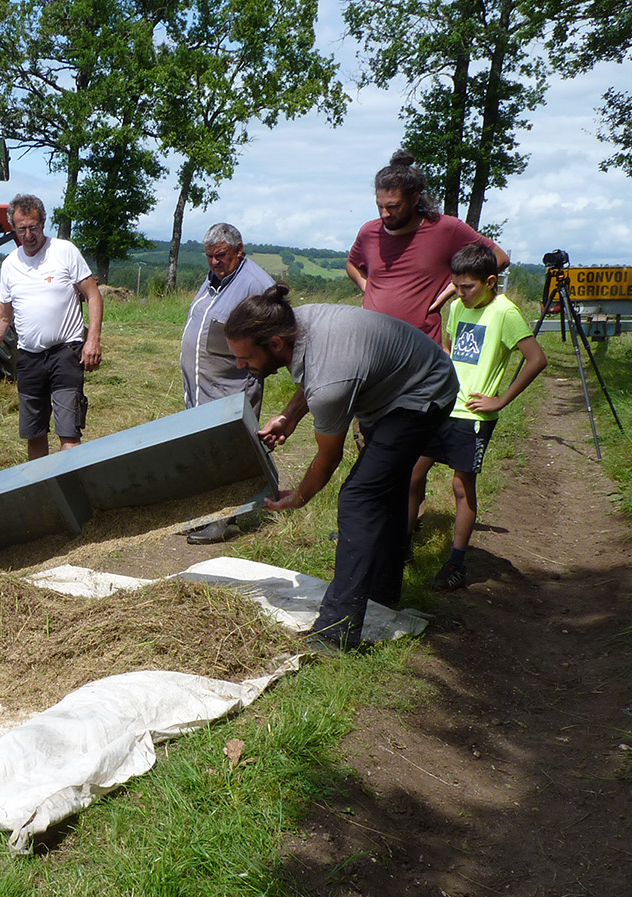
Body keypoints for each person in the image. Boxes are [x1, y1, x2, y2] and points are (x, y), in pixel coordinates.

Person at [224, 285, 459, 651]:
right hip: (394, 382)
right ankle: (382, 592)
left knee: (359, 499)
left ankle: (337, 631)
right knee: (385, 488)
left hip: (424, 392)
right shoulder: (293, 324)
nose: (240, 365)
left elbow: (327, 456)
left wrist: (299, 498)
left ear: (274, 344)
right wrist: (288, 417)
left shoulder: (328, 379)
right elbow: (314, 375)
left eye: (244, 357)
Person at [408, 245, 547, 590]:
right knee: (411, 475)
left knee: (460, 486)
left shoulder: (505, 313)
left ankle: (456, 563)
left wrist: (499, 401)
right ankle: (403, 546)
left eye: (467, 287)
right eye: (455, 286)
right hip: (441, 406)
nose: (460, 293)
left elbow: (536, 359)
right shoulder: (456, 307)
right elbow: (454, 351)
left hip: (472, 417)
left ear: (490, 282)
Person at [0, 194, 104, 460]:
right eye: (21, 229)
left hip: (65, 354)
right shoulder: (10, 265)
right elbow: (2, 316)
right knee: (34, 433)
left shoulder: (64, 252)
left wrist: (93, 340)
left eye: (33, 227)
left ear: (43, 223)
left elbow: (93, 295)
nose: (28, 235)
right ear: (14, 229)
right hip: (29, 359)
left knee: (69, 433)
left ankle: (70, 493)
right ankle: (42, 495)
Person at [347, 151, 509, 344]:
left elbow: (499, 258)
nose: (385, 214)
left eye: (393, 206)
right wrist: (369, 289)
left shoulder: (446, 229)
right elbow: (352, 265)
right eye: (380, 206)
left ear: (415, 199)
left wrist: (453, 289)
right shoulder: (368, 232)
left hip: (420, 346)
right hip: (372, 341)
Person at [180, 223, 276, 544]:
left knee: (227, 453)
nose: (214, 262)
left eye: (220, 255)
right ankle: (208, 515)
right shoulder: (215, 280)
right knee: (205, 452)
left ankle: (225, 521)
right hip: (203, 389)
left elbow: (275, 337)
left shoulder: (256, 284)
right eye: (209, 256)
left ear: (239, 250)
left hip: (232, 388)